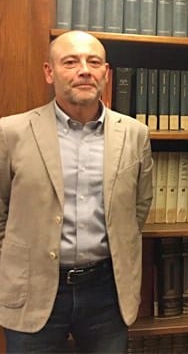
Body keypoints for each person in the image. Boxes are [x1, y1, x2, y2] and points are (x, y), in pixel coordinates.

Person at [0, 30, 153, 353]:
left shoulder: (135, 134)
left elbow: (139, 205)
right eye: (71, 62)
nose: (84, 70)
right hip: (32, 288)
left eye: (93, 62)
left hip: (107, 292)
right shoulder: (10, 132)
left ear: (106, 73)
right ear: (49, 72)